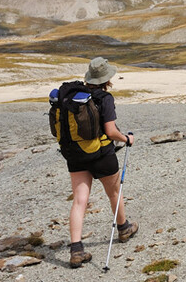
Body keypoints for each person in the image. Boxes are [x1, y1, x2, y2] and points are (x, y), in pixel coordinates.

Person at [65, 57, 138, 268]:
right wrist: (127, 139)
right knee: (114, 192)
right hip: (101, 155)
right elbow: (111, 131)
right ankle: (124, 228)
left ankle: (76, 250)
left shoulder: (74, 97)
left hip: (76, 154)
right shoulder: (104, 98)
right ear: (106, 78)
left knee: (80, 200)